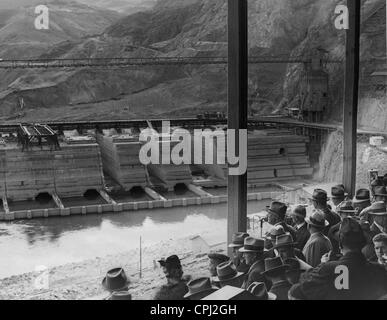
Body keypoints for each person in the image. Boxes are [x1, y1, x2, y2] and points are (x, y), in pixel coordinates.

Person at [290, 217, 387, 300]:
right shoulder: (379, 270)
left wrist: (321, 266)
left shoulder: (328, 269)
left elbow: (296, 291)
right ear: (363, 243)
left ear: (340, 244)